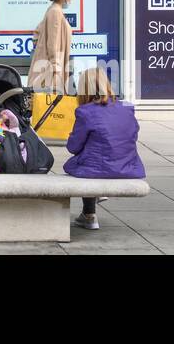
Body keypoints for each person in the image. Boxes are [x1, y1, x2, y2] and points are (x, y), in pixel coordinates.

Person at [65, 67, 146, 230]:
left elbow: (73, 147)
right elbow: (132, 135)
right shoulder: (126, 108)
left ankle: (89, 215)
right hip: (127, 166)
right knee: (93, 156)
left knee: (79, 163)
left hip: (98, 169)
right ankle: (92, 208)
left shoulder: (85, 112)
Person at [27, 0, 73, 92]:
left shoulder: (53, 10)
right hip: (51, 67)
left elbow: (38, 31)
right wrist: (55, 64)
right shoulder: (55, 12)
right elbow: (53, 41)